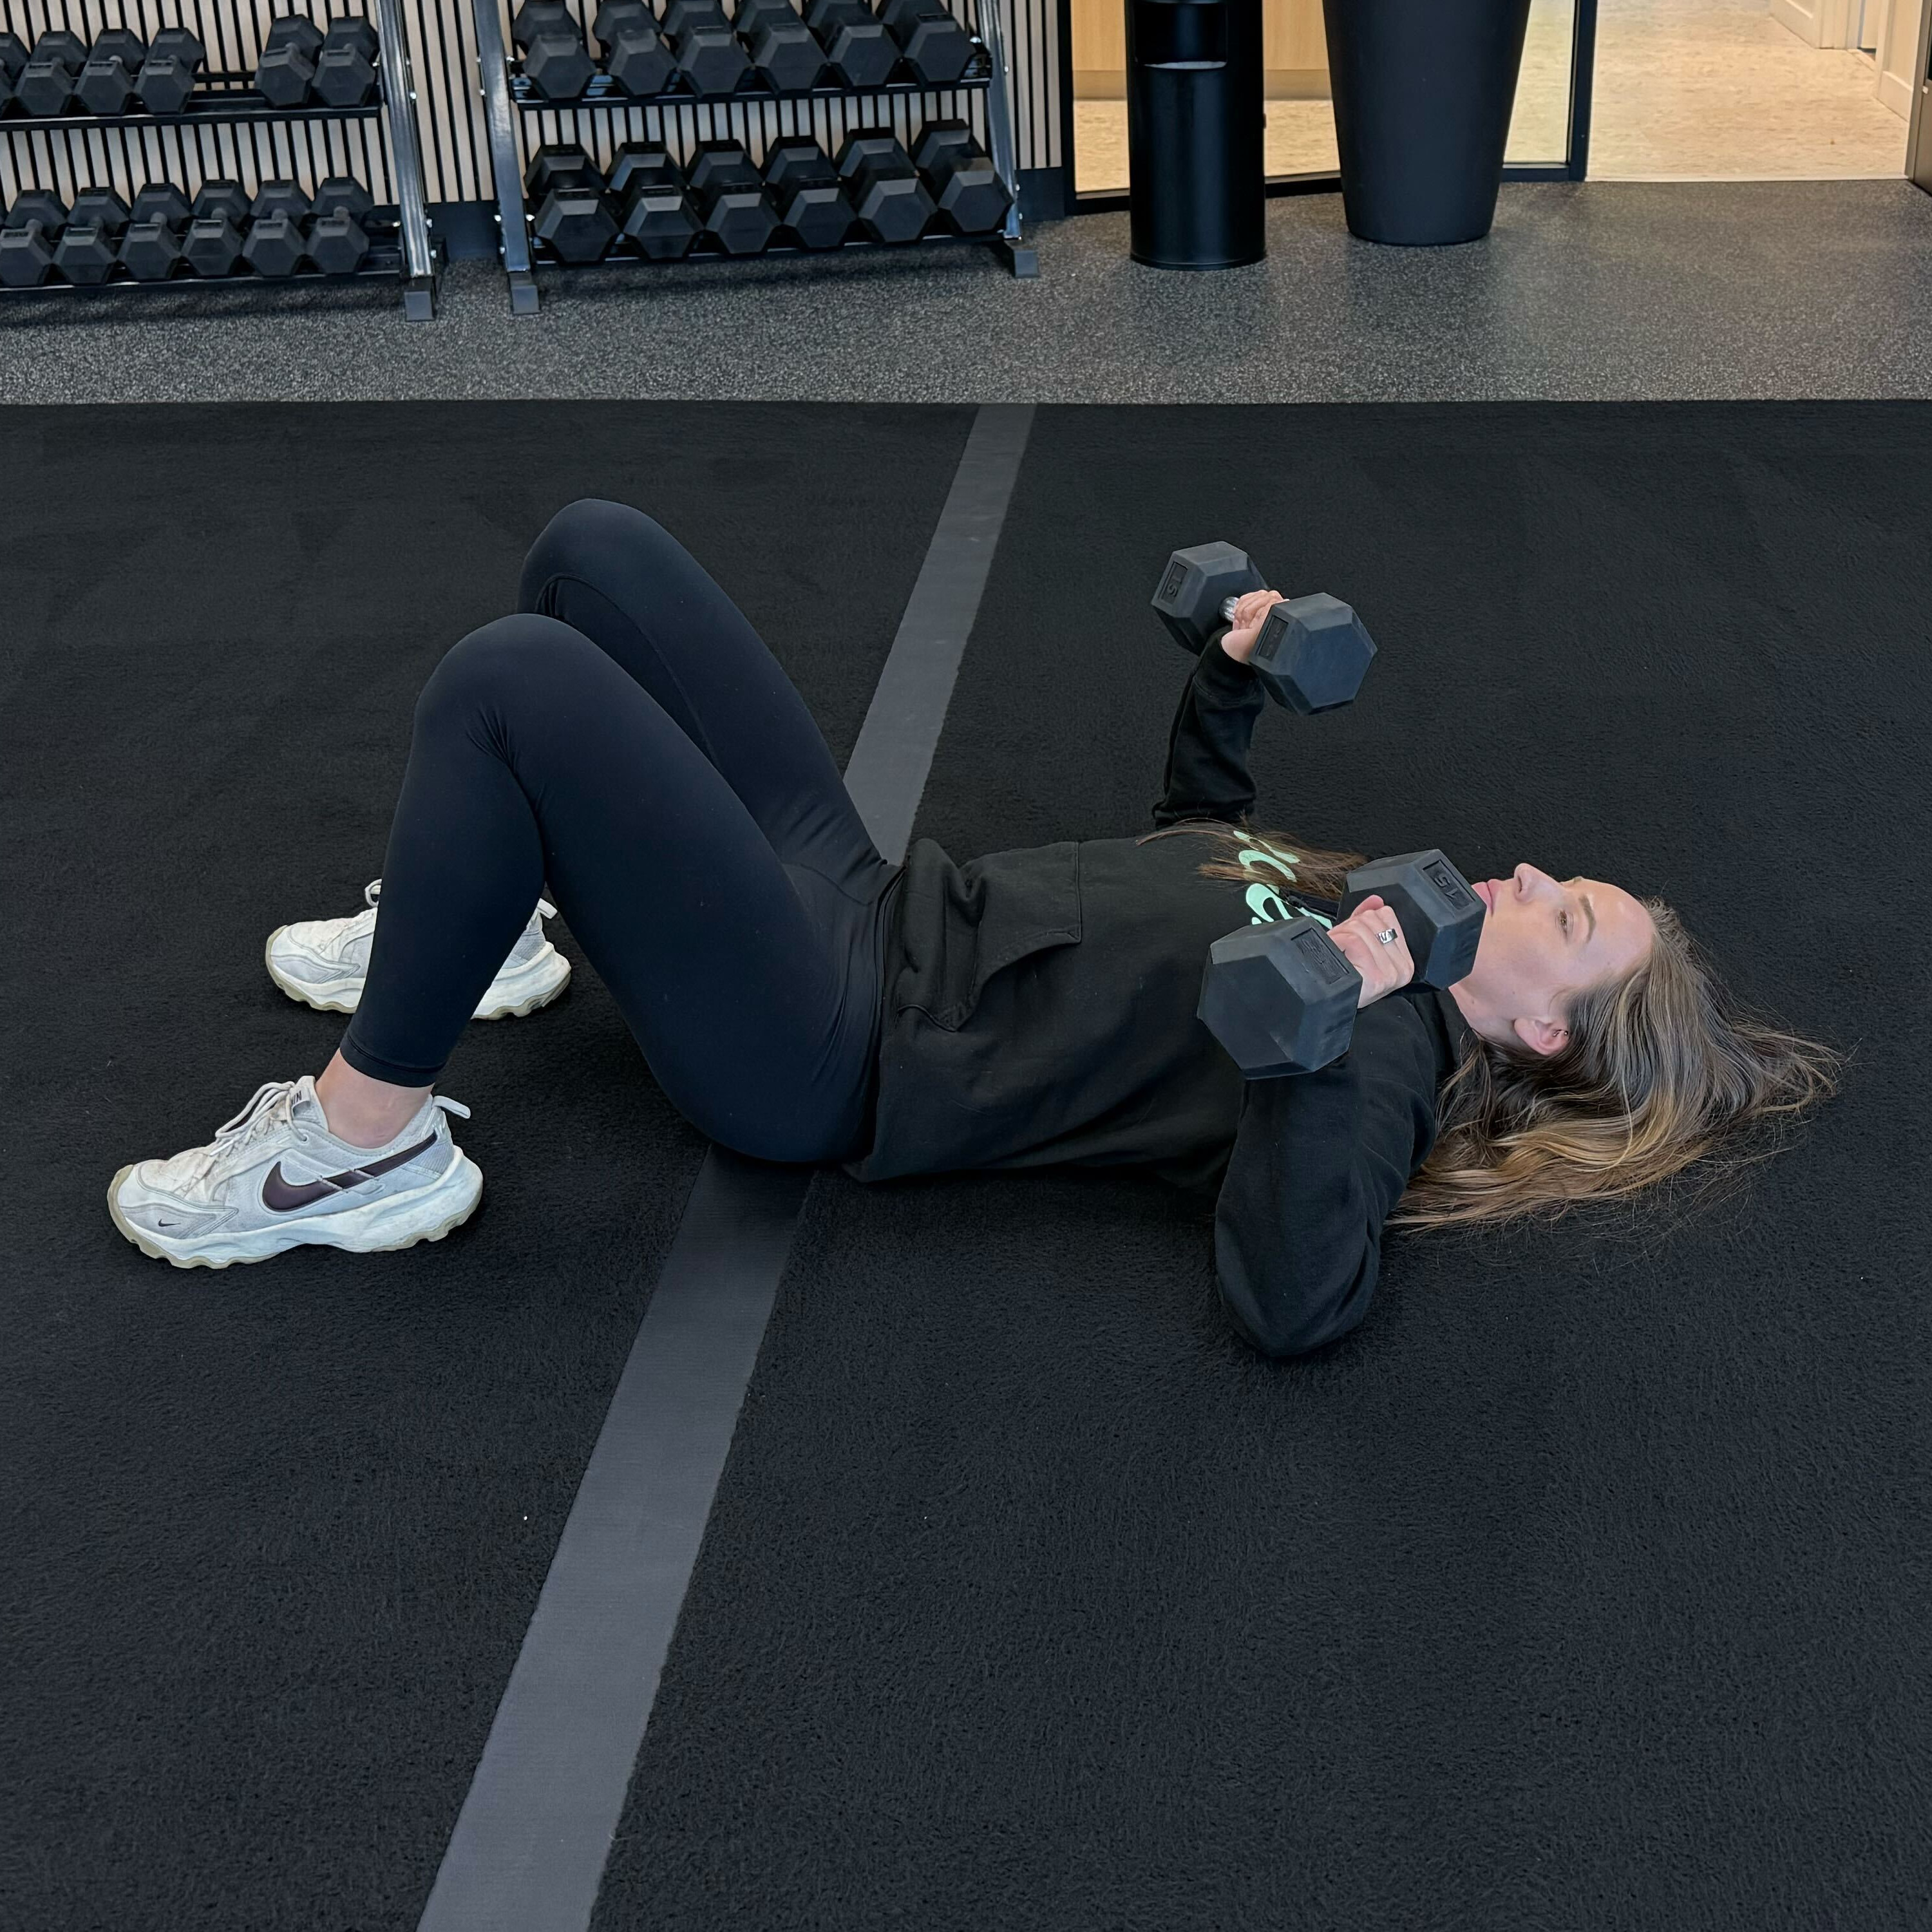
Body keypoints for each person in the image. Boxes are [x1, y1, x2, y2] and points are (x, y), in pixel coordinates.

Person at [108, 500, 1842, 1356]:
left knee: (511, 686)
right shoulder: (1352, 914)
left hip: (834, 1051)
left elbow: (1298, 1297)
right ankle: (485, 927)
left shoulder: (1377, 1046)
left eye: (1566, 913)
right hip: (873, 897)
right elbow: (1198, 856)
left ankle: (360, 1145)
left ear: (1541, 1028)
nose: (1532, 877)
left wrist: (1347, 1009)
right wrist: (1227, 681)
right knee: (594, 558)